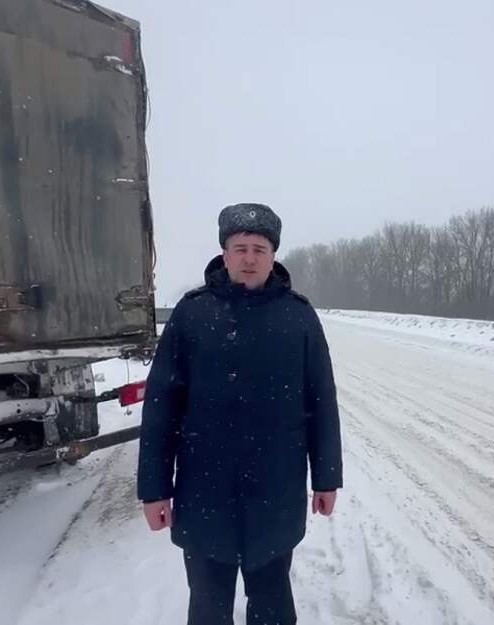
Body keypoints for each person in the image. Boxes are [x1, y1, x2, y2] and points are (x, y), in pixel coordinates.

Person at [136, 203, 343, 625]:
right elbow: (161, 408)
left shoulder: (298, 317)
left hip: (275, 491)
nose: (249, 258)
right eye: (240, 248)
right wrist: (154, 489)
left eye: (259, 249)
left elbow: (321, 402)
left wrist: (326, 479)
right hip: (204, 491)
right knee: (207, 604)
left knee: (273, 602)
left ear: (273, 256)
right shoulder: (192, 314)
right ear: (224, 254)